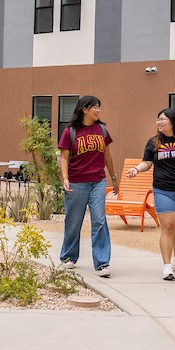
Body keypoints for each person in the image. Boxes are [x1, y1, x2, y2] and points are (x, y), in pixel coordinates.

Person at [126, 107, 175, 281]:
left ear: (173, 121)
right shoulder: (153, 142)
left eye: (163, 119)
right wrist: (136, 169)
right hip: (162, 190)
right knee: (168, 226)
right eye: (158, 119)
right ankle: (167, 266)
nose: (159, 122)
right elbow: (147, 163)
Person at [58, 95, 118, 278]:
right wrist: (65, 178)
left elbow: (107, 156)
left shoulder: (102, 130)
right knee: (74, 221)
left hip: (98, 181)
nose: (98, 110)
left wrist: (113, 177)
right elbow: (64, 157)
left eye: (99, 107)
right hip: (76, 182)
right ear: (84, 109)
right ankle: (69, 257)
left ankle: (102, 263)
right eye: (95, 107)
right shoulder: (70, 131)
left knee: (99, 220)